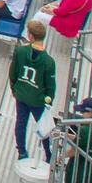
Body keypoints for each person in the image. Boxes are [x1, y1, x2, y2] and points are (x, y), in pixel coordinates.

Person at [9, 20, 57, 162]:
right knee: (44, 127)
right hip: (38, 100)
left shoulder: (20, 51)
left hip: (22, 95)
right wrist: (49, 100)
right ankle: (48, 156)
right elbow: (51, 85)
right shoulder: (49, 61)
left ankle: (22, 152)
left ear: (30, 36)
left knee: (21, 123)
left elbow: (13, 73)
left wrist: (14, 89)